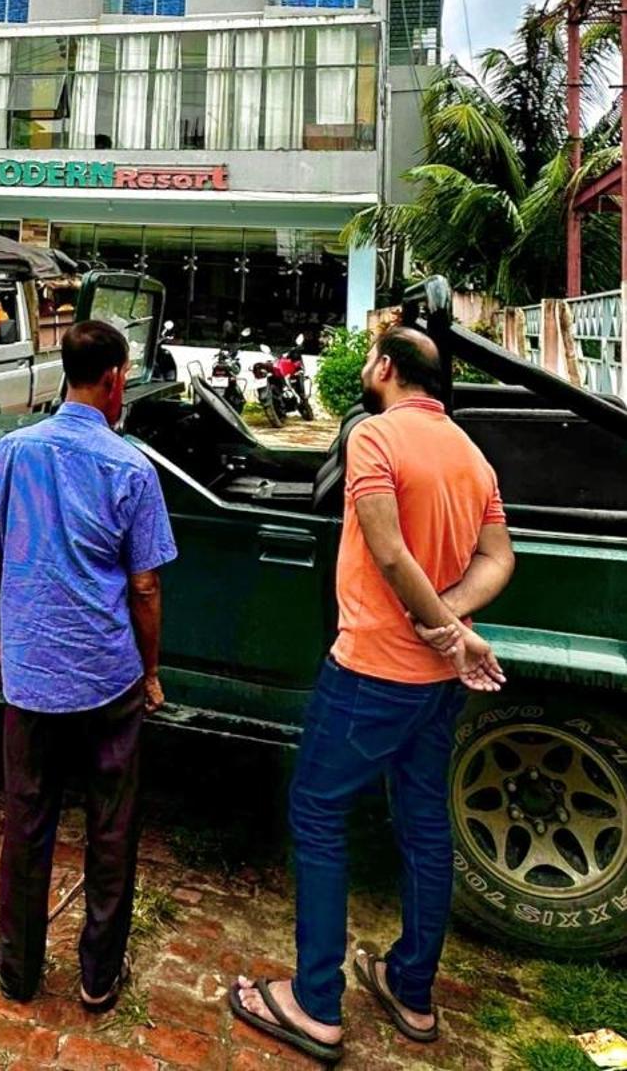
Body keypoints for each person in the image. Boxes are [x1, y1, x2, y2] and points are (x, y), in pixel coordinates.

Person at [231, 325, 515, 1065]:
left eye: (367, 359)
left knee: (317, 811)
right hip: (434, 686)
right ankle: (410, 993)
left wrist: (437, 628)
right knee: (423, 824)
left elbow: (387, 550)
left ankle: (315, 1004)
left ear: (386, 369)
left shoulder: (374, 438)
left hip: (372, 670)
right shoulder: (470, 453)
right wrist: (454, 627)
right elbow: (497, 557)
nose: (363, 368)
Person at [0, 317, 177, 1012]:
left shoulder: (13, 452)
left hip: (30, 675)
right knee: (111, 826)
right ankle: (97, 976)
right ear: (115, 379)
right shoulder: (132, 469)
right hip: (107, 678)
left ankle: (20, 968)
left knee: (27, 821)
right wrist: (148, 672)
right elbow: (144, 586)